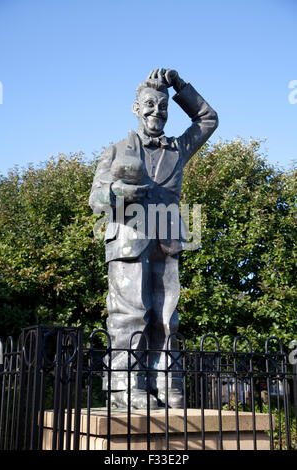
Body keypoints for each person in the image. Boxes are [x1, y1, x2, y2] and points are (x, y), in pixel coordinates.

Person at [89, 69, 218, 408]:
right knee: (129, 313)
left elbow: (208, 119)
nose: (157, 113)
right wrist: (121, 191)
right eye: (149, 105)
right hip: (128, 236)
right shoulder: (116, 150)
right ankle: (126, 388)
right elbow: (96, 198)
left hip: (167, 238)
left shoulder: (177, 148)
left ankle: (166, 383)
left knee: (166, 315)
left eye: (163, 107)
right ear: (136, 108)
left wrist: (179, 85)